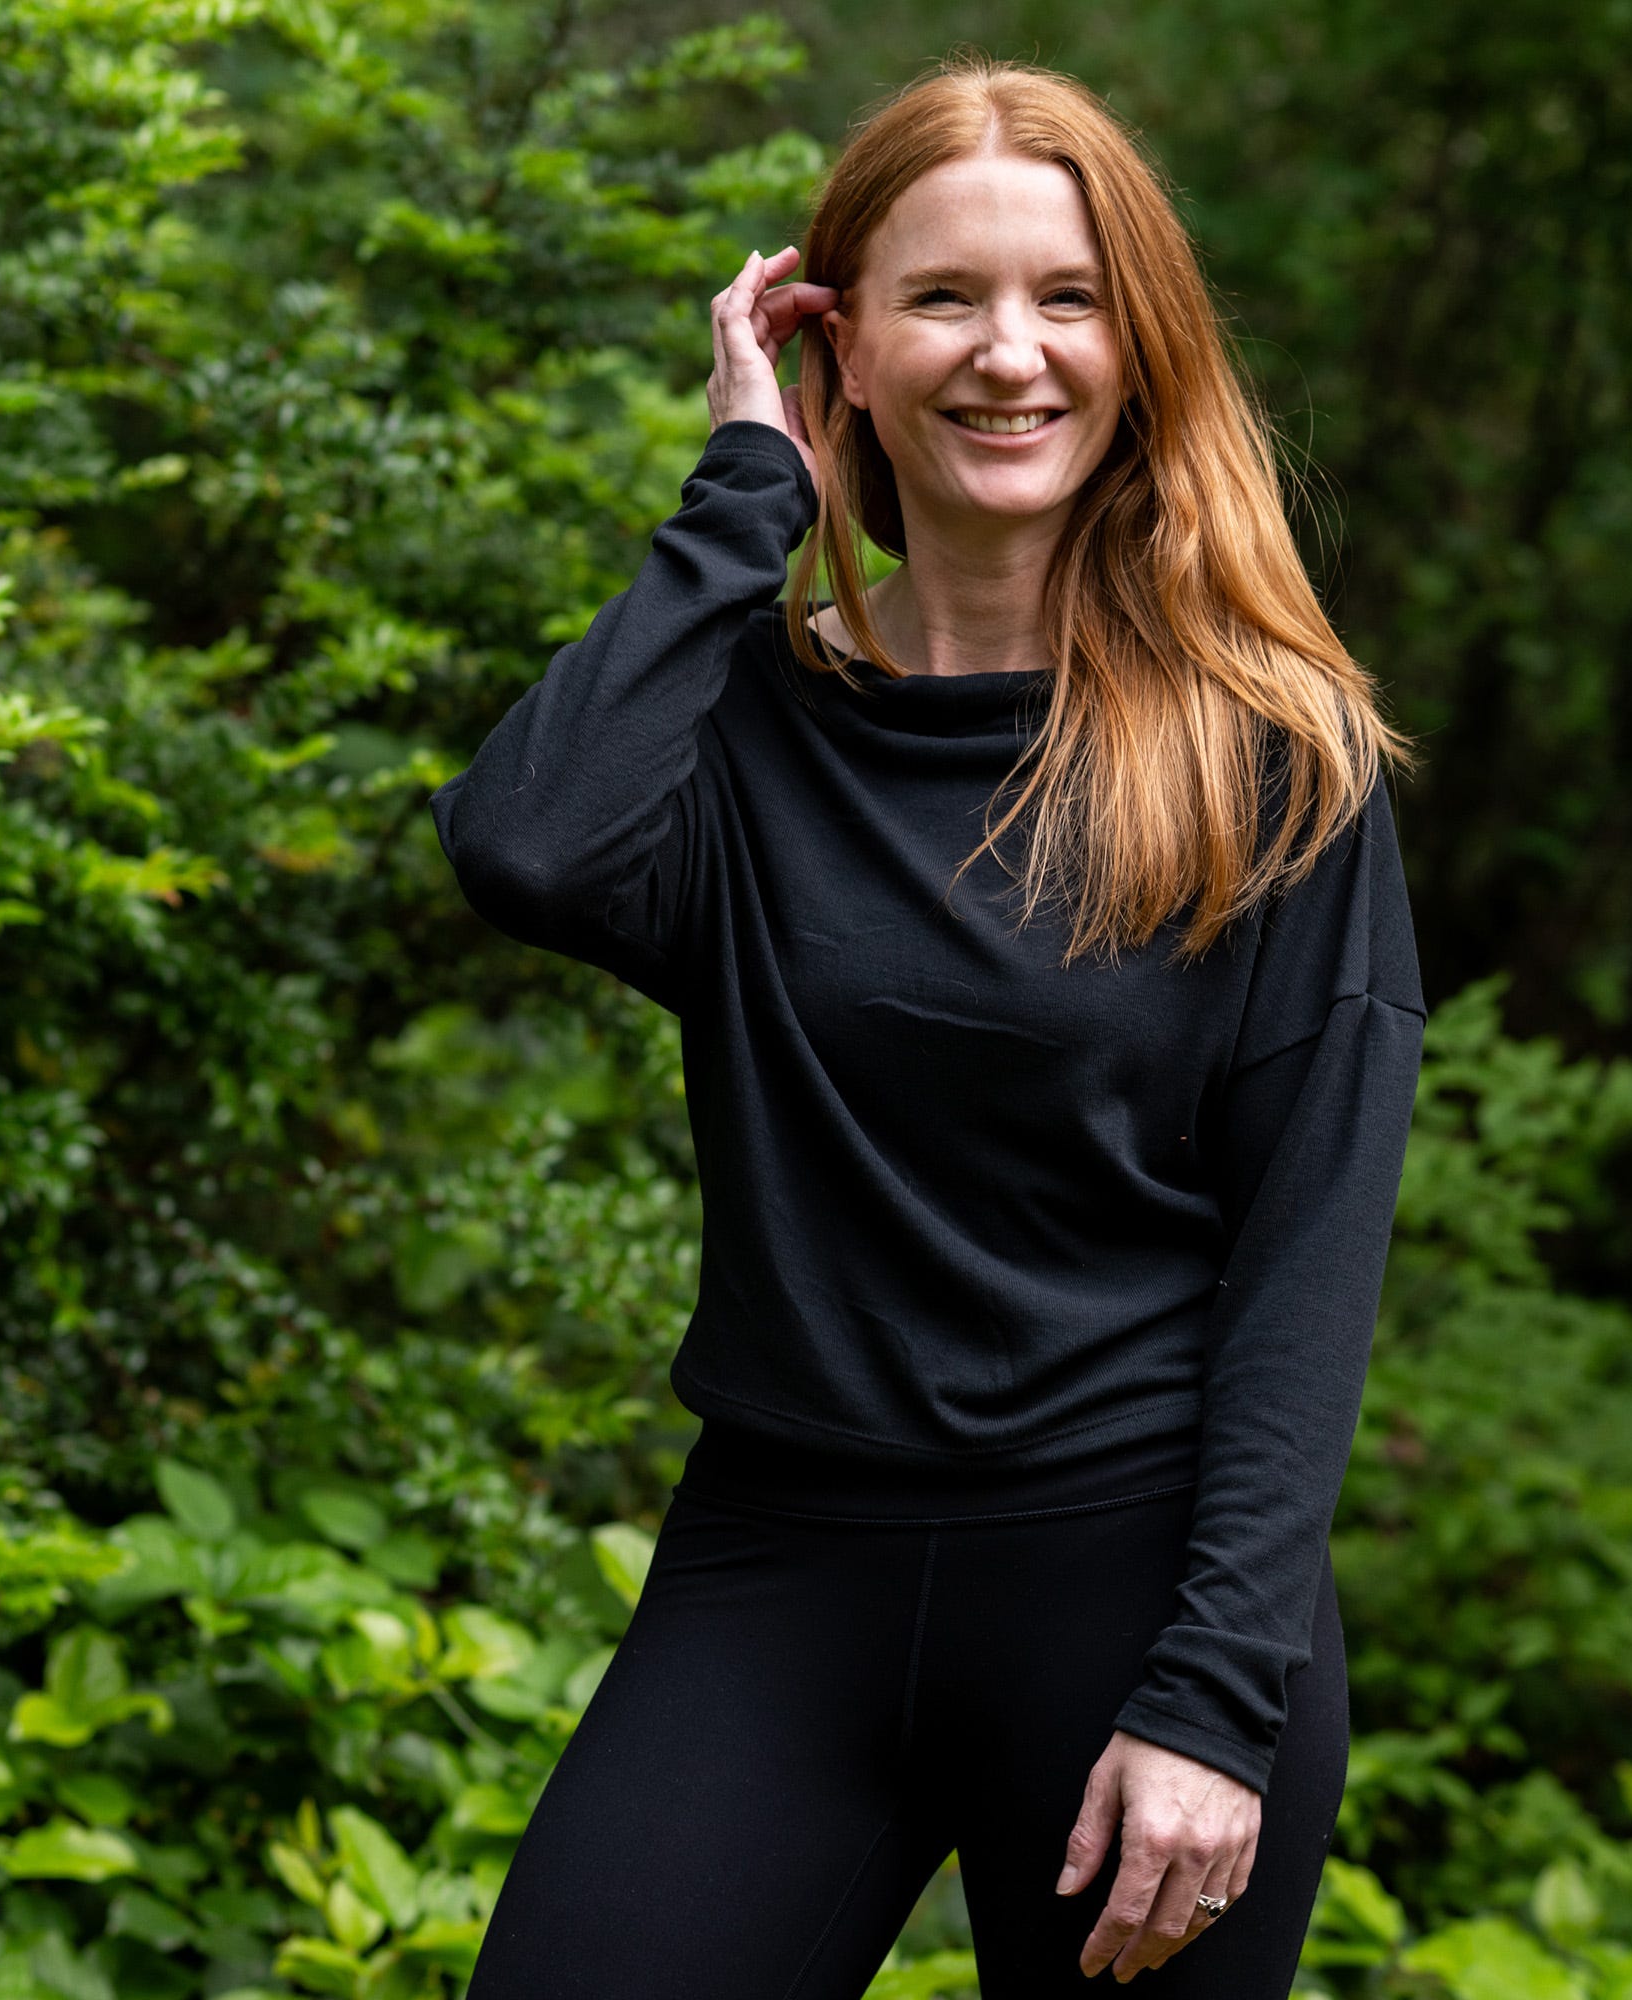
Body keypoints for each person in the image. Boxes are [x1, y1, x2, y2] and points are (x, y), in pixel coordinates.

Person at [433, 53, 1424, 1998]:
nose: (1010, 354)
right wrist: (746, 492)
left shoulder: (1269, 752)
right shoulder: (744, 725)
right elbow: (524, 846)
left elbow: (1312, 1248)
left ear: (1138, 348)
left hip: (1137, 1591)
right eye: (944, 298)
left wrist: (1218, 1691)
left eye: (1067, 298)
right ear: (844, 348)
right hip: (779, 1565)